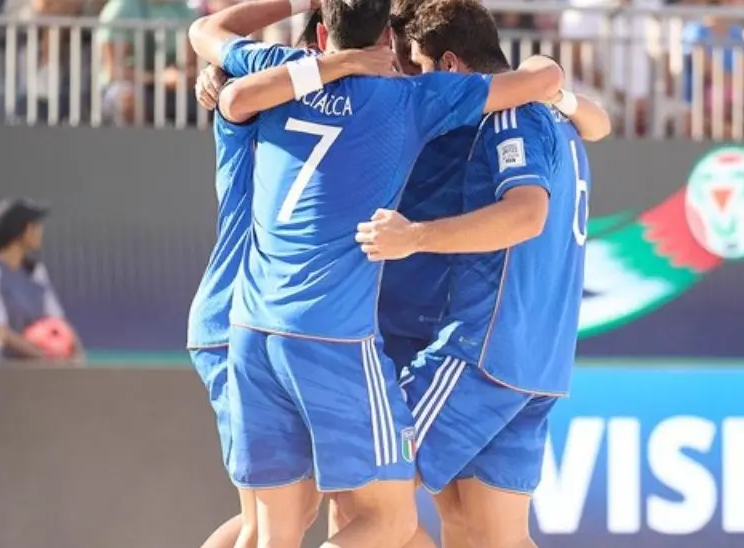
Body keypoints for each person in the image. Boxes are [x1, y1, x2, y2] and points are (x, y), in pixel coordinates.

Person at [186, 0, 563, 544]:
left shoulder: (271, 78)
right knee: (384, 517)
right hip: (318, 330)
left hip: (246, 317)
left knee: (275, 525)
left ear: (320, 35)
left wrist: (316, 46)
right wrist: (568, 99)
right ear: (387, 38)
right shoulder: (405, 100)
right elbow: (542, 79)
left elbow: (213, 44)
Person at [355, 1, 592, 545]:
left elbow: (526, 215)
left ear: (451, 63)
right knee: (486, 535)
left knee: (366, 496)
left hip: (480, 353)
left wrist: (414, 237)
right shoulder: (563, 121)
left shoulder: (509, 116)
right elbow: (592, 119)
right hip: (539, 364)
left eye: (422, 67)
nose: (420, 83)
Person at [183, 2, 397, 547]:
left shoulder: (268, 91)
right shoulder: (278, 97)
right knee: (272, 522)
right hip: (243, 313)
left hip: (248, 315)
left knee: (283, 517)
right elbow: (209, 36)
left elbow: (211, 35)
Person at [0, 198, 82, 364]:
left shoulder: (36, 272)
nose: (40, 231)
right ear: (16, 231)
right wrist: (45, 358)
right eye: (33, 226)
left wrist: (77, 355)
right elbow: (1, 332)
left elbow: (57, 321)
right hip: (6, 371)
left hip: (40, 367)